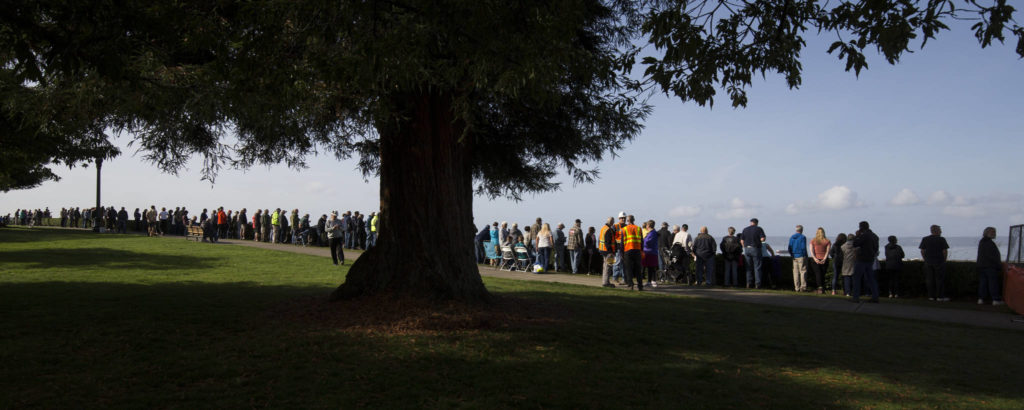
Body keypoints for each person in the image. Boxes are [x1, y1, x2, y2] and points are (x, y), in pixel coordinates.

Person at [851, 221, 880, 303]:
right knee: (871, 279)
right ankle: (875, 296)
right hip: (870, 259)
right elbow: (876, 249)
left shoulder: (864, 236)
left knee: (857, 278)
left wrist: (857, 236)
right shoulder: (875, 236)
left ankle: (856, 297)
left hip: (862, 259)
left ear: (861, 227)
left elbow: (855, 244)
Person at [920, 224, 950, 302]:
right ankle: (940, 296)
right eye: (940, 230)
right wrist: (944, 260)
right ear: (936, 231)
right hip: (939, 262)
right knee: (939, 280)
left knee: (929, 280)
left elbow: (922, 250)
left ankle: (931, 296)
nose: (941, 231)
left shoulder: (925, 239)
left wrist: (925, 259)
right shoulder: (941, 239)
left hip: (928, 262)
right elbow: (944, 251)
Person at [977, 227, 1004, 305]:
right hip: (990, 266)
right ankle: (995, 299)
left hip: (982, 266)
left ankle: (981, 298)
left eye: (994, 232)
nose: (994, 234)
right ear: (987, 233)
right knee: (993, 283)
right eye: (992, 232)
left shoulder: (982, 242)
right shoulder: (989, 243)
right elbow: (992, 256)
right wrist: (998, 264)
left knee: (983, 283)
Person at [741, 218, 766, 288]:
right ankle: (757, 284)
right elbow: (762, 239)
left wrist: (744, 247)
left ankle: (749, 283)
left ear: (750, 222)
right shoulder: (759, 229)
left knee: (748, 267)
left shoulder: (745, 229)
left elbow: (742, 241)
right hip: (755, 248)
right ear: (757, 223)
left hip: (747, 249)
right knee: (757, 267)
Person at [621, 215, 644, 290]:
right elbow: (642, 241)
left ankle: (630, 285)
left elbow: (622, 243)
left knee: (628, 269)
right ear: (634, 220)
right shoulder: (638, 228)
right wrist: (642, 250)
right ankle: (640, 285)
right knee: (638, 269)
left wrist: (622, 253)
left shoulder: (624, 229)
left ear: (627, 221)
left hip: (627, 250)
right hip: (637, 250)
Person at [808, 227, 831, 294]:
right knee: (822, 274)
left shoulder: (813, 241)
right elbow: (827, 251)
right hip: (824, 259)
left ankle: (819, 288)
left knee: (817, 274)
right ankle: (822, 288)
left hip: (815, 259)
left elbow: (811, 251)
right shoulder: (827, 241)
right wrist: (824, 259)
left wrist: (815, 259)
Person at [788, 225, 809, 292]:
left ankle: (796, 288)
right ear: (802, 230)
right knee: (803, 272)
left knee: (795, 272)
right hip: (801, 256)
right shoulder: (803, 237)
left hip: (794, 256)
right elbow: (803, 247)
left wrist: (792, 254)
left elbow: (789, 247)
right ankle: (803, 287)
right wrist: (805, 255)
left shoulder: (792, 237)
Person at [599, 217, 617, 287]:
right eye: (613, 221)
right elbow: (608, 242)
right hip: (608, 252)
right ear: (612, 222)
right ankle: (606, 283)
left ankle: (605, 281)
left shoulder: (603, 228)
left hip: (603, 250)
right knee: (608, 267)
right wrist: (611, 252)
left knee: (606, 266)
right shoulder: (608, 230)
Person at [642, 220, 660, 287]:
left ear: (648, 225)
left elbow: (648, 242)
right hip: (648, 252)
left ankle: (653, 280)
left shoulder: (652, 233)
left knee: (652, 267)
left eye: (646, 225)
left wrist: (643, 240)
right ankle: (649, 281)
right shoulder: (651, 233)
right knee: (649, 267)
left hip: (651, 252)